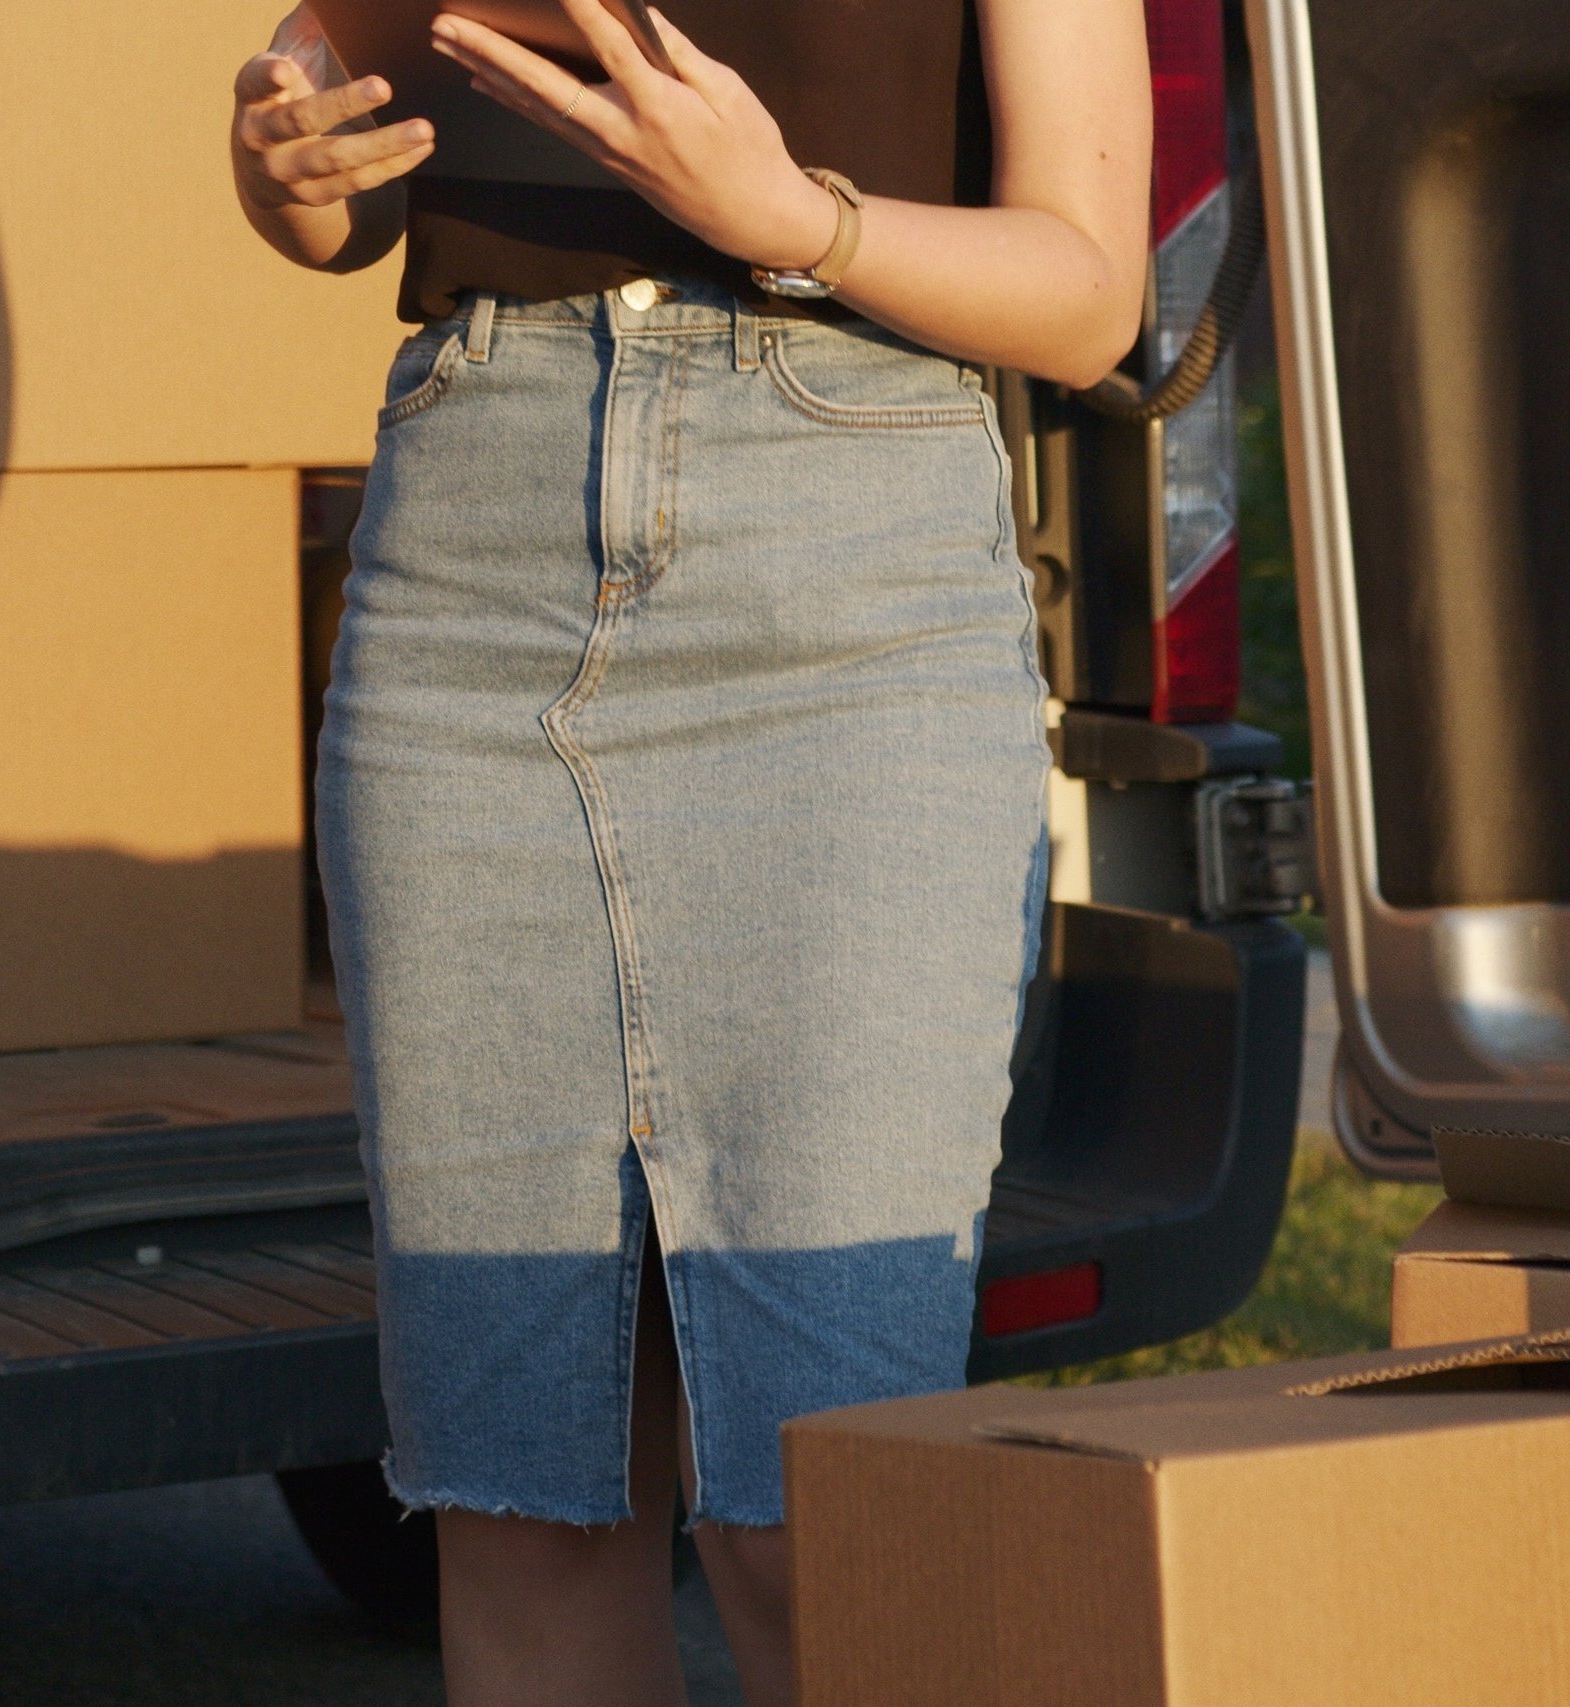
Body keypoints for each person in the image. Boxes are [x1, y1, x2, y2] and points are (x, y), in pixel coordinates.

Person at [230, 3, 1150, 1701]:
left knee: (821, 1512)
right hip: (471, 559)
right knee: (526, 1500)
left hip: (846, 577)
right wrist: (281, 156)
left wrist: (793, 216)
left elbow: (1093, 290)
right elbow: (332, 147)